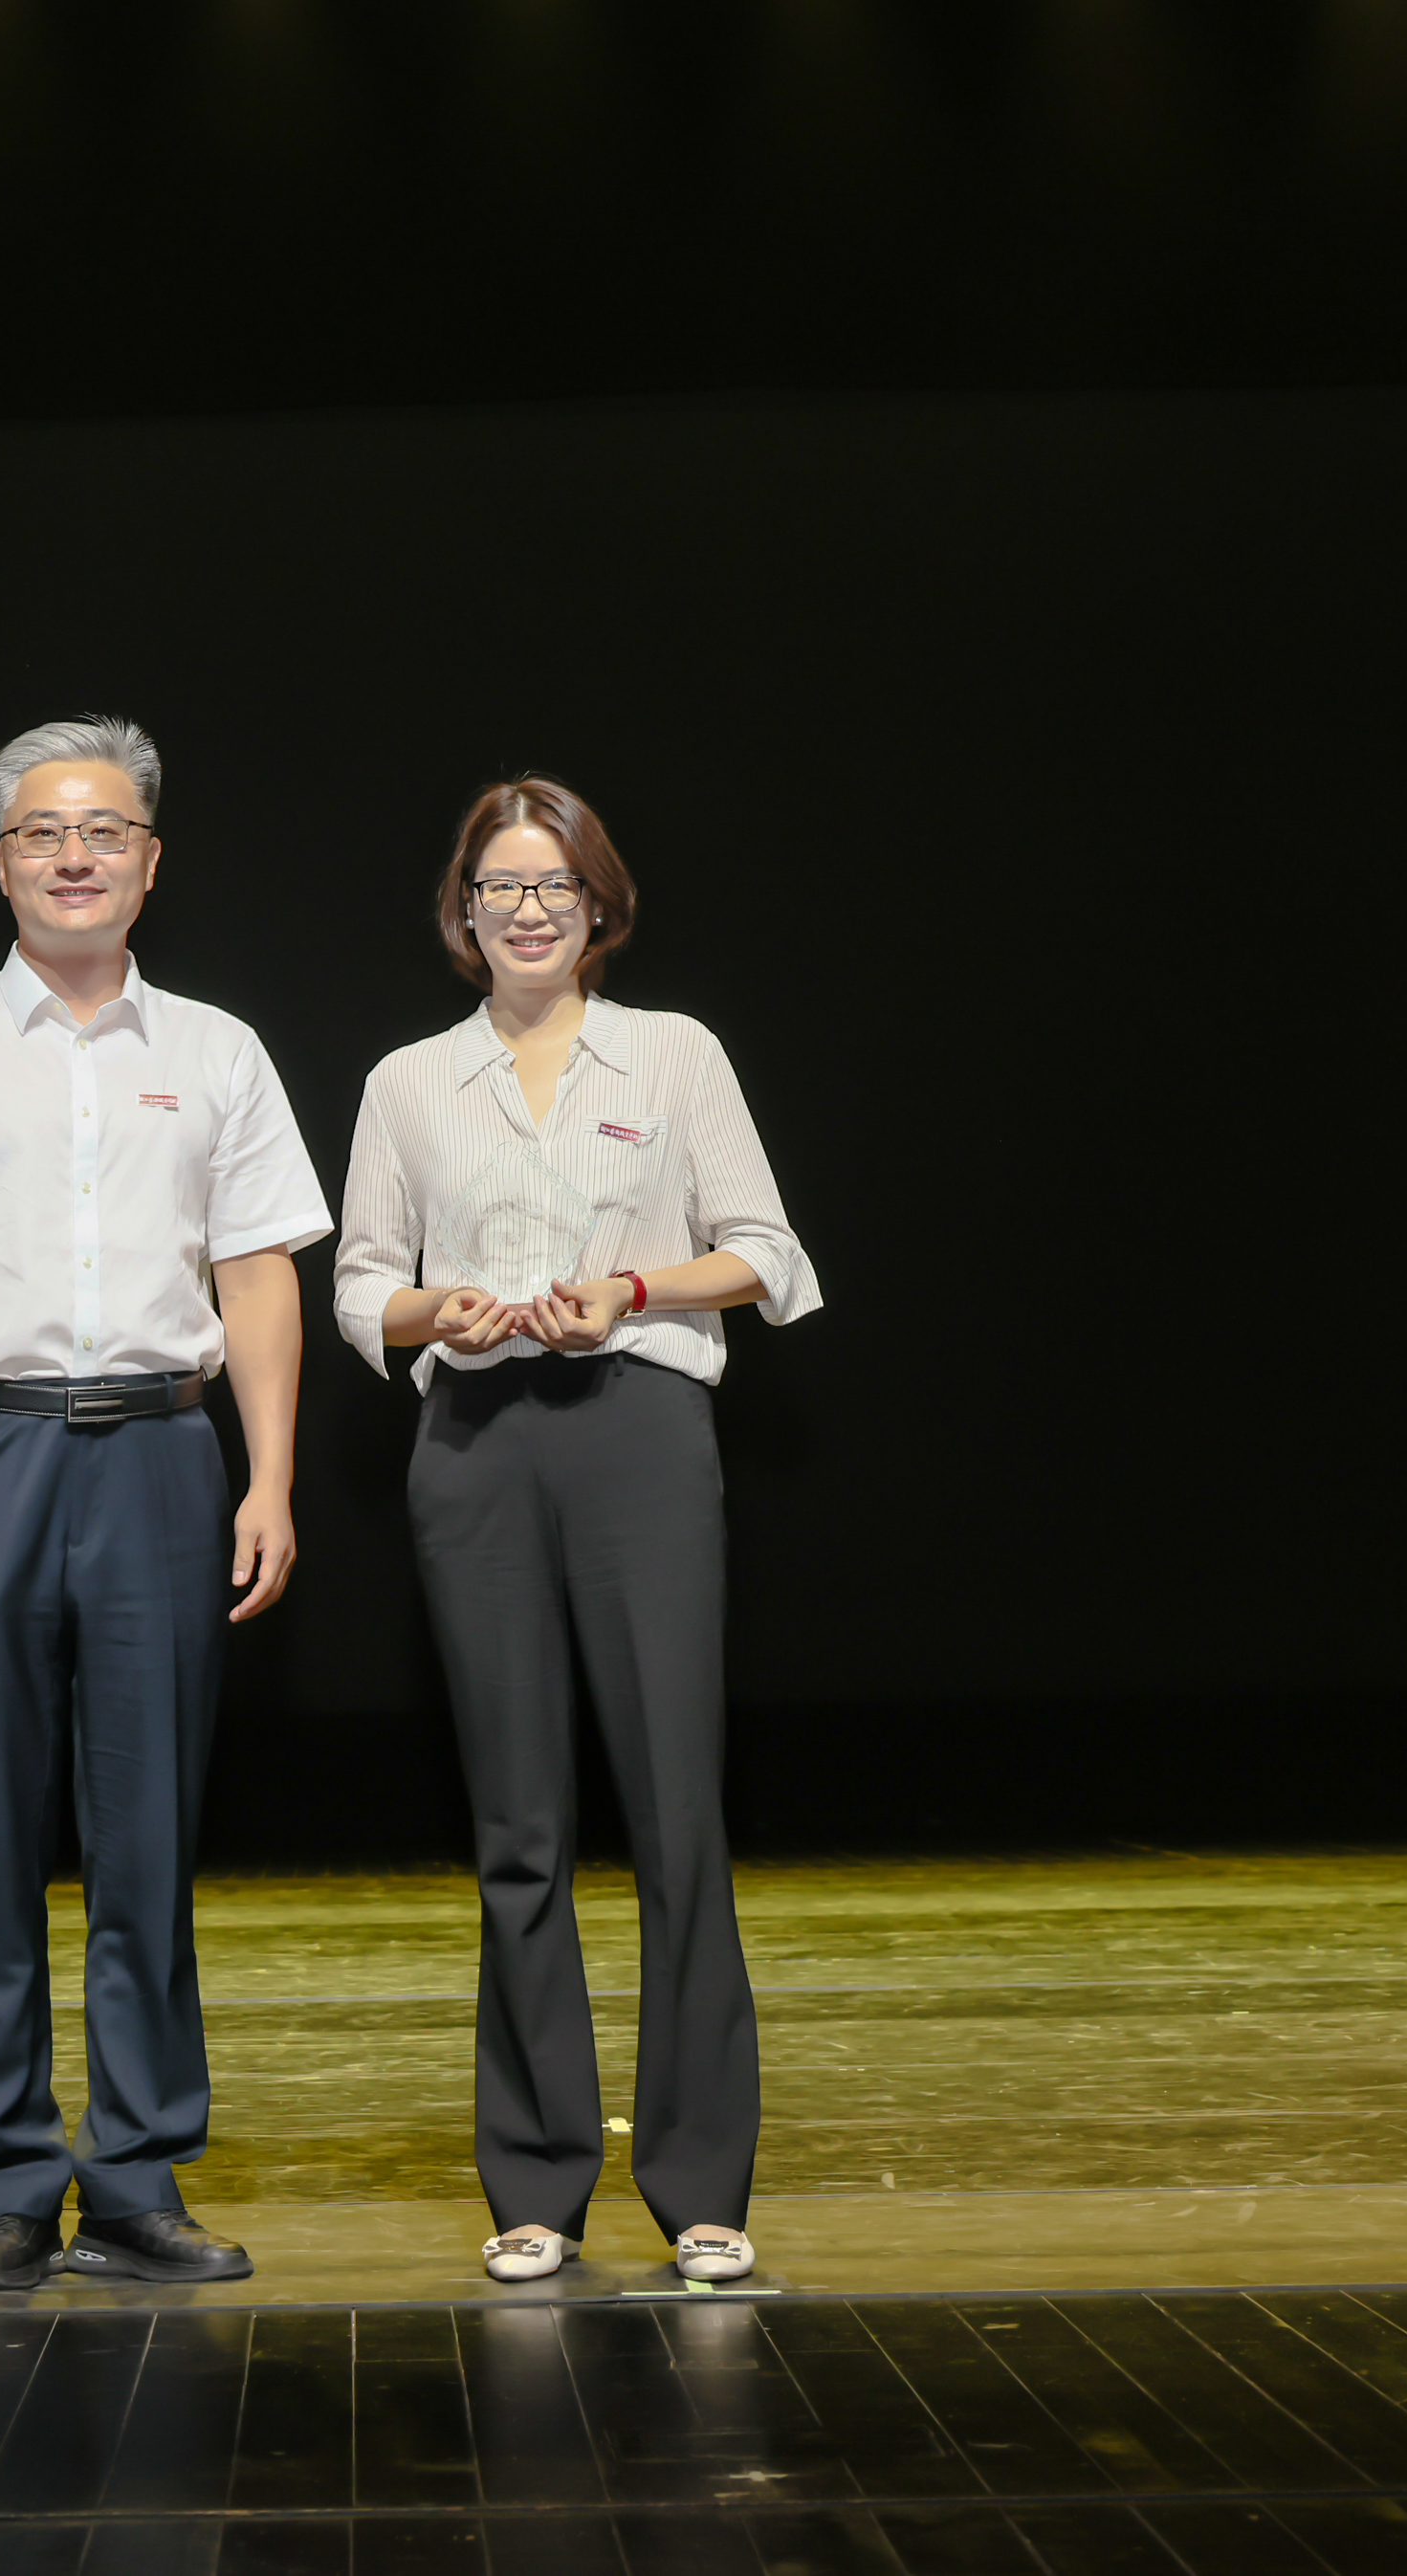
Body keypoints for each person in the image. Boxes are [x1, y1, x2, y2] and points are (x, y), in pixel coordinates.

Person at [0, 716, 333, 2293]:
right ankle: (4, 2182)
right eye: (43, 831)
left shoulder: (219, 1050)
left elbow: (258, 1274)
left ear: (150, 861)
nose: (74, 855)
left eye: (104, 830)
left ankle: (136, 2179)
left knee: (146, 1834)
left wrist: (271, 1475)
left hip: (161, 1455)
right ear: (1, 862)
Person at [331, 775, 822, 2286]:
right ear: (463, 912)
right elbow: (360, 1285)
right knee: (518, 1826)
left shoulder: (674, 1053)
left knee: (676, 1811)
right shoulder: (410, 1079)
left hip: (639, 1431)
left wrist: (632, 1288)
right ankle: (536, 2177)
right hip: (476, 1444)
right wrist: (437, 1308)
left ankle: (701, 2181)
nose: (528, 910)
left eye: (554, 885)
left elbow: (768, 1253)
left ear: (598, 905)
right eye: (501, 886)